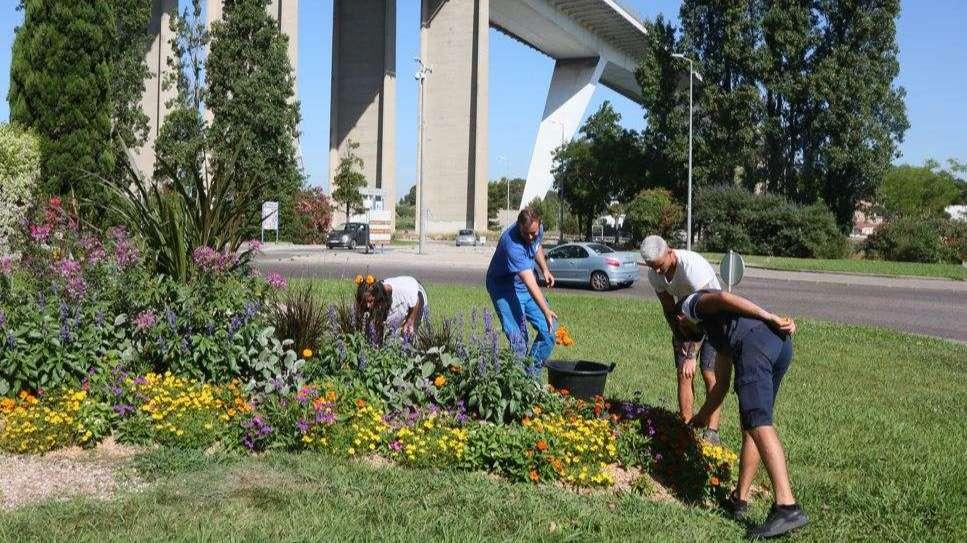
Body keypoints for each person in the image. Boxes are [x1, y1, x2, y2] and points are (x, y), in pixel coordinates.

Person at [678, 289, 808, 539]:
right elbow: (721, 386)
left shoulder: (691, 305)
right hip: (778, 345)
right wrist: (700, 418)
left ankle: (786, 506)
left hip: (757, 344)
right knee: (754, 423)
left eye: (684, 335)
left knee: (757, 421)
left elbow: (723, 297)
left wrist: (767, 316)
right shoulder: (719, 331)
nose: (687, 340)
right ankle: (740, 499)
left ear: (682, 320)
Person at [640, 235, 724, 443]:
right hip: (686, 317)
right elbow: (669, 310)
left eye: (660, 266)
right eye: (653, 267)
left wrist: (692, 354)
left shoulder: (693, 269)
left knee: (708, 372)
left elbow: (706, 314)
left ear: (670, 251)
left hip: (714, 316)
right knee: (683, 373)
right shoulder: (655, 275)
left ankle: (712, 431)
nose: (658, 272)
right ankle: (687, 428)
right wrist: (681, 341)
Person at [485, 207, 557, 367]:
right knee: (519, 342)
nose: (531, 237)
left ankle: (531, 376)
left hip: (522, 286)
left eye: (534, 233)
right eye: (526, 234)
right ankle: (519, 385)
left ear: (539, 225)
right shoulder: (511, 244)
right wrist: (546, 309)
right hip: (503, 288)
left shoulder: (536, 229)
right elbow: (529, 281)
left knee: (550, 330)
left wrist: (544, 269)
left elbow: (536, 246)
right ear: (519, 226)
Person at [355, 275, 428, 341]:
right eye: (365, 303)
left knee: (408, 335)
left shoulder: (400, 291)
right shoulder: (372, 298)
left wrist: (410, 320)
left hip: (417, 297)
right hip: (398, 303)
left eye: (370, 301)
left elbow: (416, 299)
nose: (368, 305)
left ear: (376, 295)